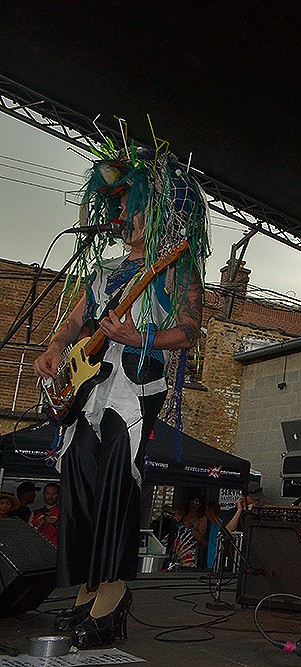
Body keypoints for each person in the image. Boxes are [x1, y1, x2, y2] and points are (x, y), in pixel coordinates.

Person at [32, 145, 209, 648]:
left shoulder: (175, 269)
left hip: (135, 384)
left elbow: (190, 332)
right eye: (121, 208)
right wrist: (54, 347)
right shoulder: (104, 272)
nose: (124, 217)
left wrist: (140, 337)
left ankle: (112, 594)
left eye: (134, 207)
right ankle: (85, 589)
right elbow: (73, 322)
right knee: (78, 476)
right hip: (88, 386)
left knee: (115, 477)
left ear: (156, 214)